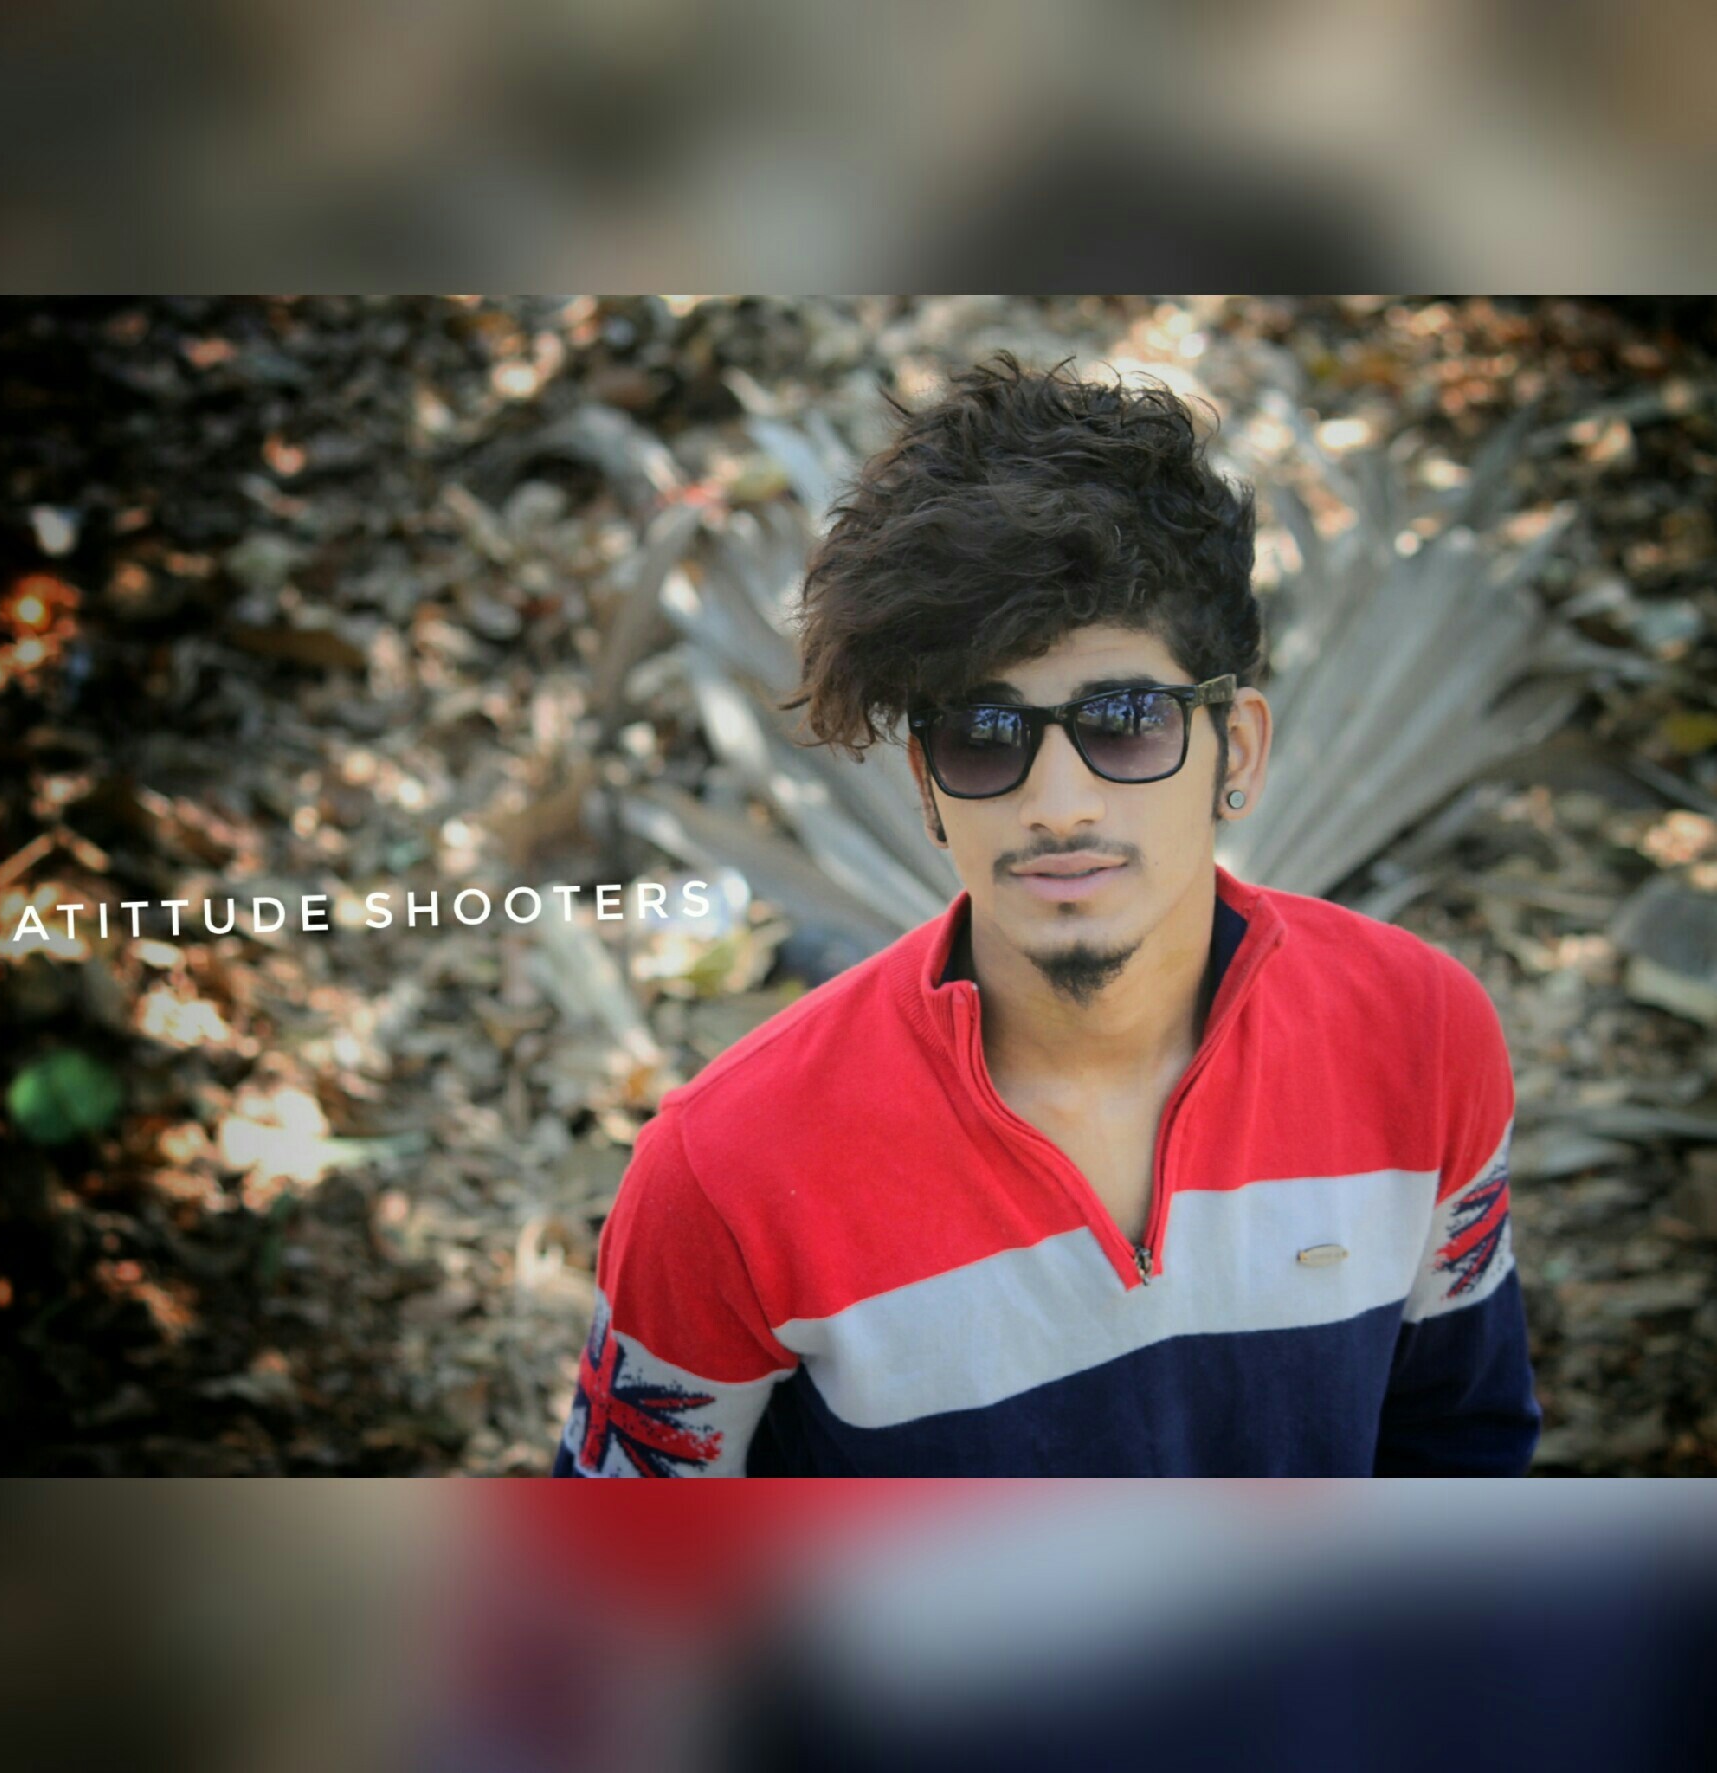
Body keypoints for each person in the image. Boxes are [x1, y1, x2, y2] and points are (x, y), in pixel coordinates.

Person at [550, 353, 1541, 1477]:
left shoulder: (1418, 1038)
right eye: (985, 736)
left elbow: (1460, 1454)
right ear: (927, 786)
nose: (1058, 804)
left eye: (1125, 721)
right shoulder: (724, 1172)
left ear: (1237, 750)